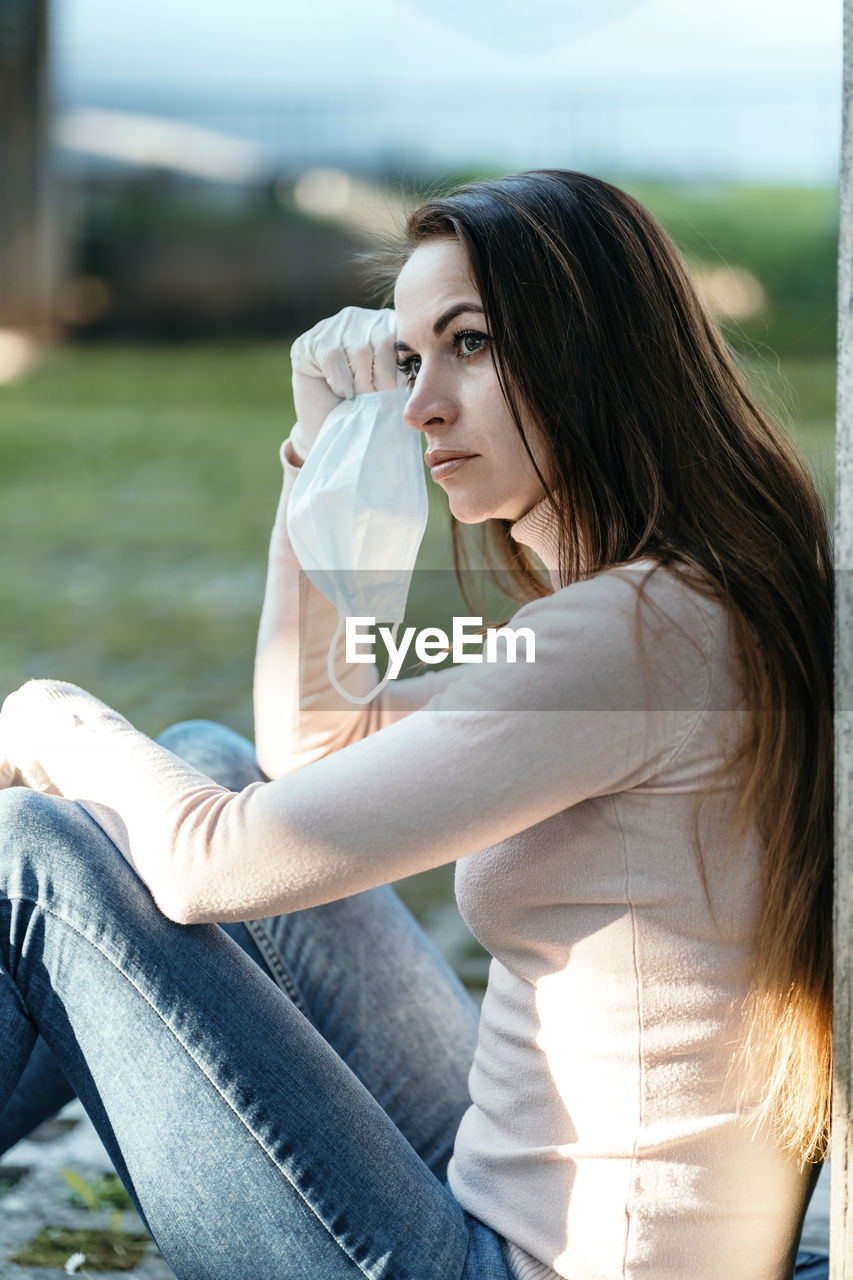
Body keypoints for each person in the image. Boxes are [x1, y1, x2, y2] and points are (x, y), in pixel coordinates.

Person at [0, 169, 833, 1280]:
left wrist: (43, 710)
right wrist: (321, 458)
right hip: (499, 1196)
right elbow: (316, 754)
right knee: (208, 760)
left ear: (594, 349)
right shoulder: (672, 605)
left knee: (42, 860)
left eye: (471, 345)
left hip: (516, 1264)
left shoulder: (627, 635)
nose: (418, 403)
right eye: (407, 359)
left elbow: (211, 862)